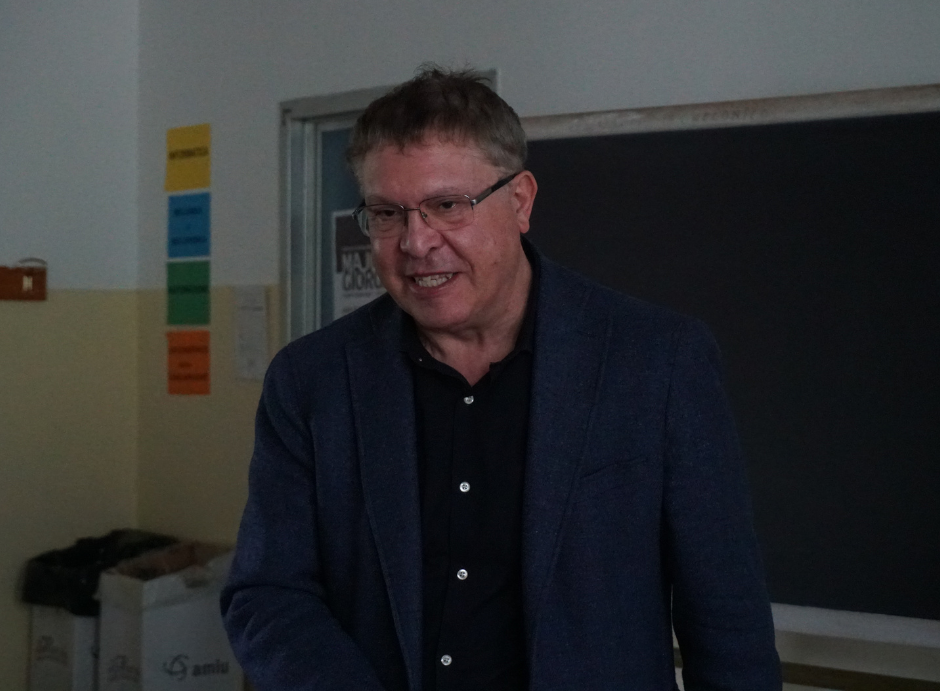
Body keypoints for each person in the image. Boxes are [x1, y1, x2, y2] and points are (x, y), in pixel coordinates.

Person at [221, 66, 781, 691]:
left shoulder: (656, 361)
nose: (416, 242)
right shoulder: (311, 381)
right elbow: (267, 595)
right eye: (386, 213)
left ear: (520, 202)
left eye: (447, 206)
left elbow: (727, 618)